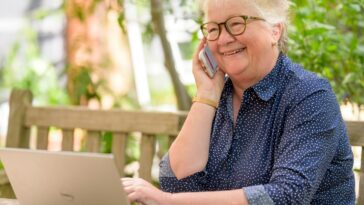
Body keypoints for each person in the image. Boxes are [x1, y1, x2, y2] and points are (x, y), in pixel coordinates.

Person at [122, 0, 356, 204]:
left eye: (236, 23)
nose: (223, 39)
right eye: (213, 29)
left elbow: (286, 196)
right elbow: (176, 182)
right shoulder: (218, 96)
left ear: (275, 30)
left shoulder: (309, 95)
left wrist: (167, 202)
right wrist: (207, 94)